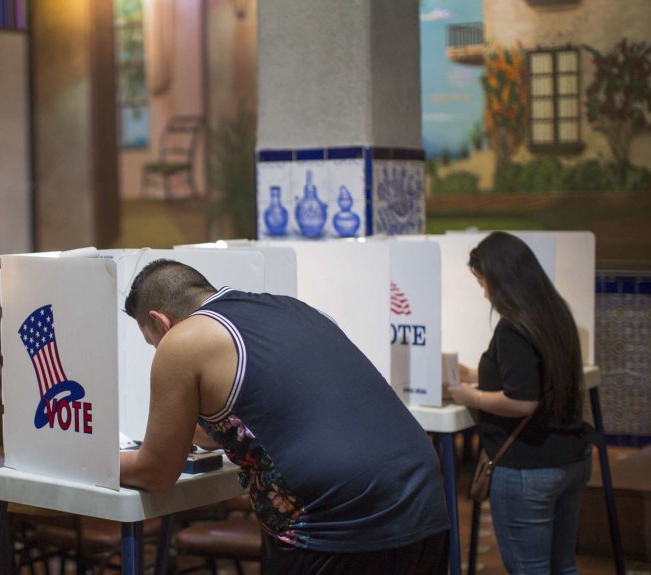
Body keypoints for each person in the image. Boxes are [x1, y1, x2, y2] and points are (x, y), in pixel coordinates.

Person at [121, 259, 450, 574]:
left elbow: (156, 474)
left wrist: (88, 459)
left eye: (153, 342)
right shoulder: (292, 308)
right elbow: (253, 418)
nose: (157, 349)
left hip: (338, 528)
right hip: (425, 506)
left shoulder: (182, 339)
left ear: (161, 321)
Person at [449, 232, 591, 574]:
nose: (484, 293)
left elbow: (523, 401)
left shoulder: (513, 327)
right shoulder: (555, 314)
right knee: (563, 565)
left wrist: (471, 396)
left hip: (527, 468)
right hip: (571, 458)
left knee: (529, 568)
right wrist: (479, 376)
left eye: (483, 282)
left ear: (501, 279)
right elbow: (540, 381)